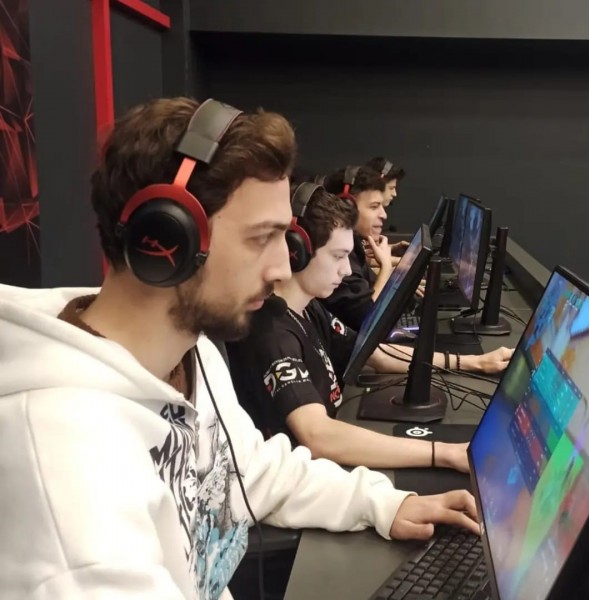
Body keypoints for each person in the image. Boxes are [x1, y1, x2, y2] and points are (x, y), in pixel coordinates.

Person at [0, 97, 479, 599]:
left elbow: (251, 471)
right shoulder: (67, 470)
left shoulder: (193, 353)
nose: (282, 267)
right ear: (165, 239)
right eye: (261, 238)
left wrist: (385, 503)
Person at [227, 183, 512, 473]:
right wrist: (443, 453)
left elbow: (374, 354)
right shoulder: (272, 333)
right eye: (338, 256)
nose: (346, 270)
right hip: (305, 480)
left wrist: (473, 362)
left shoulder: (309, 308)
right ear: (295, 253)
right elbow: (317, 435)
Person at [321, 165, 393, 330]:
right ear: (347, 207)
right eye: (374, 206)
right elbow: (366, 317)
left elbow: (370, 287)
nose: (384, 215)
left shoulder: (354, 244)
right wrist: (386, 267)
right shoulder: (337, 255)